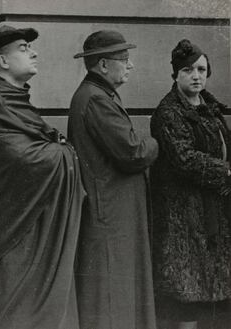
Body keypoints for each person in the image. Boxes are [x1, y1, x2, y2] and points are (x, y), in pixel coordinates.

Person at [0, 25, 85, 329]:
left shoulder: (12, 98)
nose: (33, 52)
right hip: (12, 229)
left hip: (28, 221)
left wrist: (58, 149)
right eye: (23, 48)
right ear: (3, 61)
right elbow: (23, 158)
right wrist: (66, 153)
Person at [68, 30, 159, 329]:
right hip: (110, 216)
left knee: (114, 296)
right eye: (124, 59)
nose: (130, 65)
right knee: (110, 298)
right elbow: (132, 152)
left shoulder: (95, 95)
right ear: (104, 65)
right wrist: (157, 143)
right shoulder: (96, 99)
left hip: (112, 213)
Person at [150, 39, 231, 329]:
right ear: (176, 74)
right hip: (184, 214)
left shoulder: (209, 106)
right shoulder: (168, 112)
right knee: (188, 292)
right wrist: (227, 173)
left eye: (201, 69)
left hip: (213, 208)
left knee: (212, 290)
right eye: (188, 70)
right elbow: (184, 158)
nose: (196, 75)